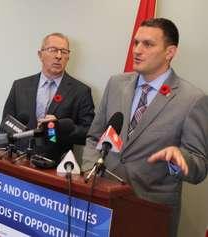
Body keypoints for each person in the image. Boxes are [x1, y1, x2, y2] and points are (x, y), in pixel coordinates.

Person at [82, 18, 208, 237]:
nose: (137, 50)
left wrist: (180, 159)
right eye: (135, 43)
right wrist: (91, 172)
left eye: (148, 44)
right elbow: (94, 136)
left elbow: (199, 166)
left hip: (150, 212)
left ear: (170, 52)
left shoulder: (192, 99)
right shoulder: (115, 84)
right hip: (102, 203)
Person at [0, 32, 95, 164]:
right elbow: (5, 127)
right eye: (53, 50)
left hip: (55, 167)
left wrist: (60, 128)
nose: (58, 56)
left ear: (68, 57)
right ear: (40, 55)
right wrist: (0, 159)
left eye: (64, 52)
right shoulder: (20, 86)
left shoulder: (80, 91)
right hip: (17, 162)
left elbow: (89, 134)